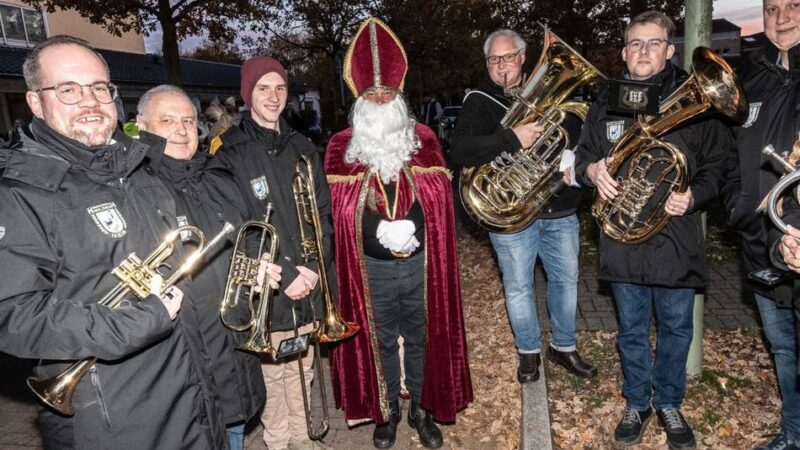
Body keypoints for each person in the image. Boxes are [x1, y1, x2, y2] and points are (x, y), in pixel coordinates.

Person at [0, 35, 228, 449]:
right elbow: (13, 314)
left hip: (188, 394)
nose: (89, 101)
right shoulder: (20, 191)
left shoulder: (136, 167)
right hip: (112, 420)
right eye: (68, 90)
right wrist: (138, 321)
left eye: (99, 88)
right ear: (36, 103)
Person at [574, 11, 733, 450]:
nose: (643, 51)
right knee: (630, 329)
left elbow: (720, 166)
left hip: (675, 239)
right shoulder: (605, 99)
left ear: (669, 50)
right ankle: (636, 402)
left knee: (677, 327)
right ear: (624, 51)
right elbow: (584, 156)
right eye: (635, 44)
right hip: (622, 240)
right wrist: (592, 171)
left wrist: (694, 196)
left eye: (653, 43)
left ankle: (668, 402)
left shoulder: (694, 100)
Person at [325, 17, 473, 449]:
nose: (380, 99)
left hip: (422, 265)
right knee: (381, 338)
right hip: (371, 268)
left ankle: (422, 410)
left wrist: (416, 225)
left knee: (424, 335)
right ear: (359, 100)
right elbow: (339, 210)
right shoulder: (340, 147)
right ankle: (386, 411)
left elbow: (440, 200)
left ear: (399, 97)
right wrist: (375, 229)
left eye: (387, 93)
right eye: (372, 94)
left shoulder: (423, 138)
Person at [135, 84, 283, 450]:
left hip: (230, 349)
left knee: (232, 431)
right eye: (167, 120)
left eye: (188, 120)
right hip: (181, 363)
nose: (182, 130)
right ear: (141, 125)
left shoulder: (218, 178)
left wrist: (259, 265)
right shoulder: (134, 190)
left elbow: (248, 237)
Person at [450, 28, 596, 384]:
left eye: (508, 57)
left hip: (558, 208)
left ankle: (564, 345)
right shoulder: (479, 102)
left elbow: (578, 136)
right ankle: (528, 352)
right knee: (518, 287)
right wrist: (512, 138)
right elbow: (460, 150)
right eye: (493, 60)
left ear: (522, 58)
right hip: (511, 215)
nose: (501, 66)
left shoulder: (554, 94)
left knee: (566, 281)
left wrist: (567, 154)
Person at [215, 56, 332, 450]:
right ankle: (279, 442)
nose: (273, 96)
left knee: (304, 367)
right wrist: (285, 269)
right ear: (248, 95)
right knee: (271, 374)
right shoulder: (229, 152)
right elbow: (237, 225)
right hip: (269, 283)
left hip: (307, 281)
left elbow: (323, 213)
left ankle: (303, 438)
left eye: (280, 88)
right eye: (262, 88)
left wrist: (315, 267)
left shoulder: (303, 147)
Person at [721, 1, 800, 448]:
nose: (782, 17)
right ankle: (793, 434)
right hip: (759, 243)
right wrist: (737, 205)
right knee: (784, 350)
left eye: (793, 6)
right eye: (772, 8)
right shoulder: (746, 78)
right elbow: (728, 152)